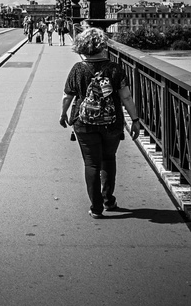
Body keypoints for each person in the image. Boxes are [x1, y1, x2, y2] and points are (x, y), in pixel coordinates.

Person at [59, 26, 141, 218]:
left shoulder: (78, 69)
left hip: (83, 122)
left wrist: (63, 114)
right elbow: (126, 97)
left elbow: (67, 96)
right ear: (103, 45)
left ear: (81, 46)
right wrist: (135, 120)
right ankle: (108, 200)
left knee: (91, 164)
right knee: (108, 158)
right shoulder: (115, 69)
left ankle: (96, 208)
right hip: (112, 123)